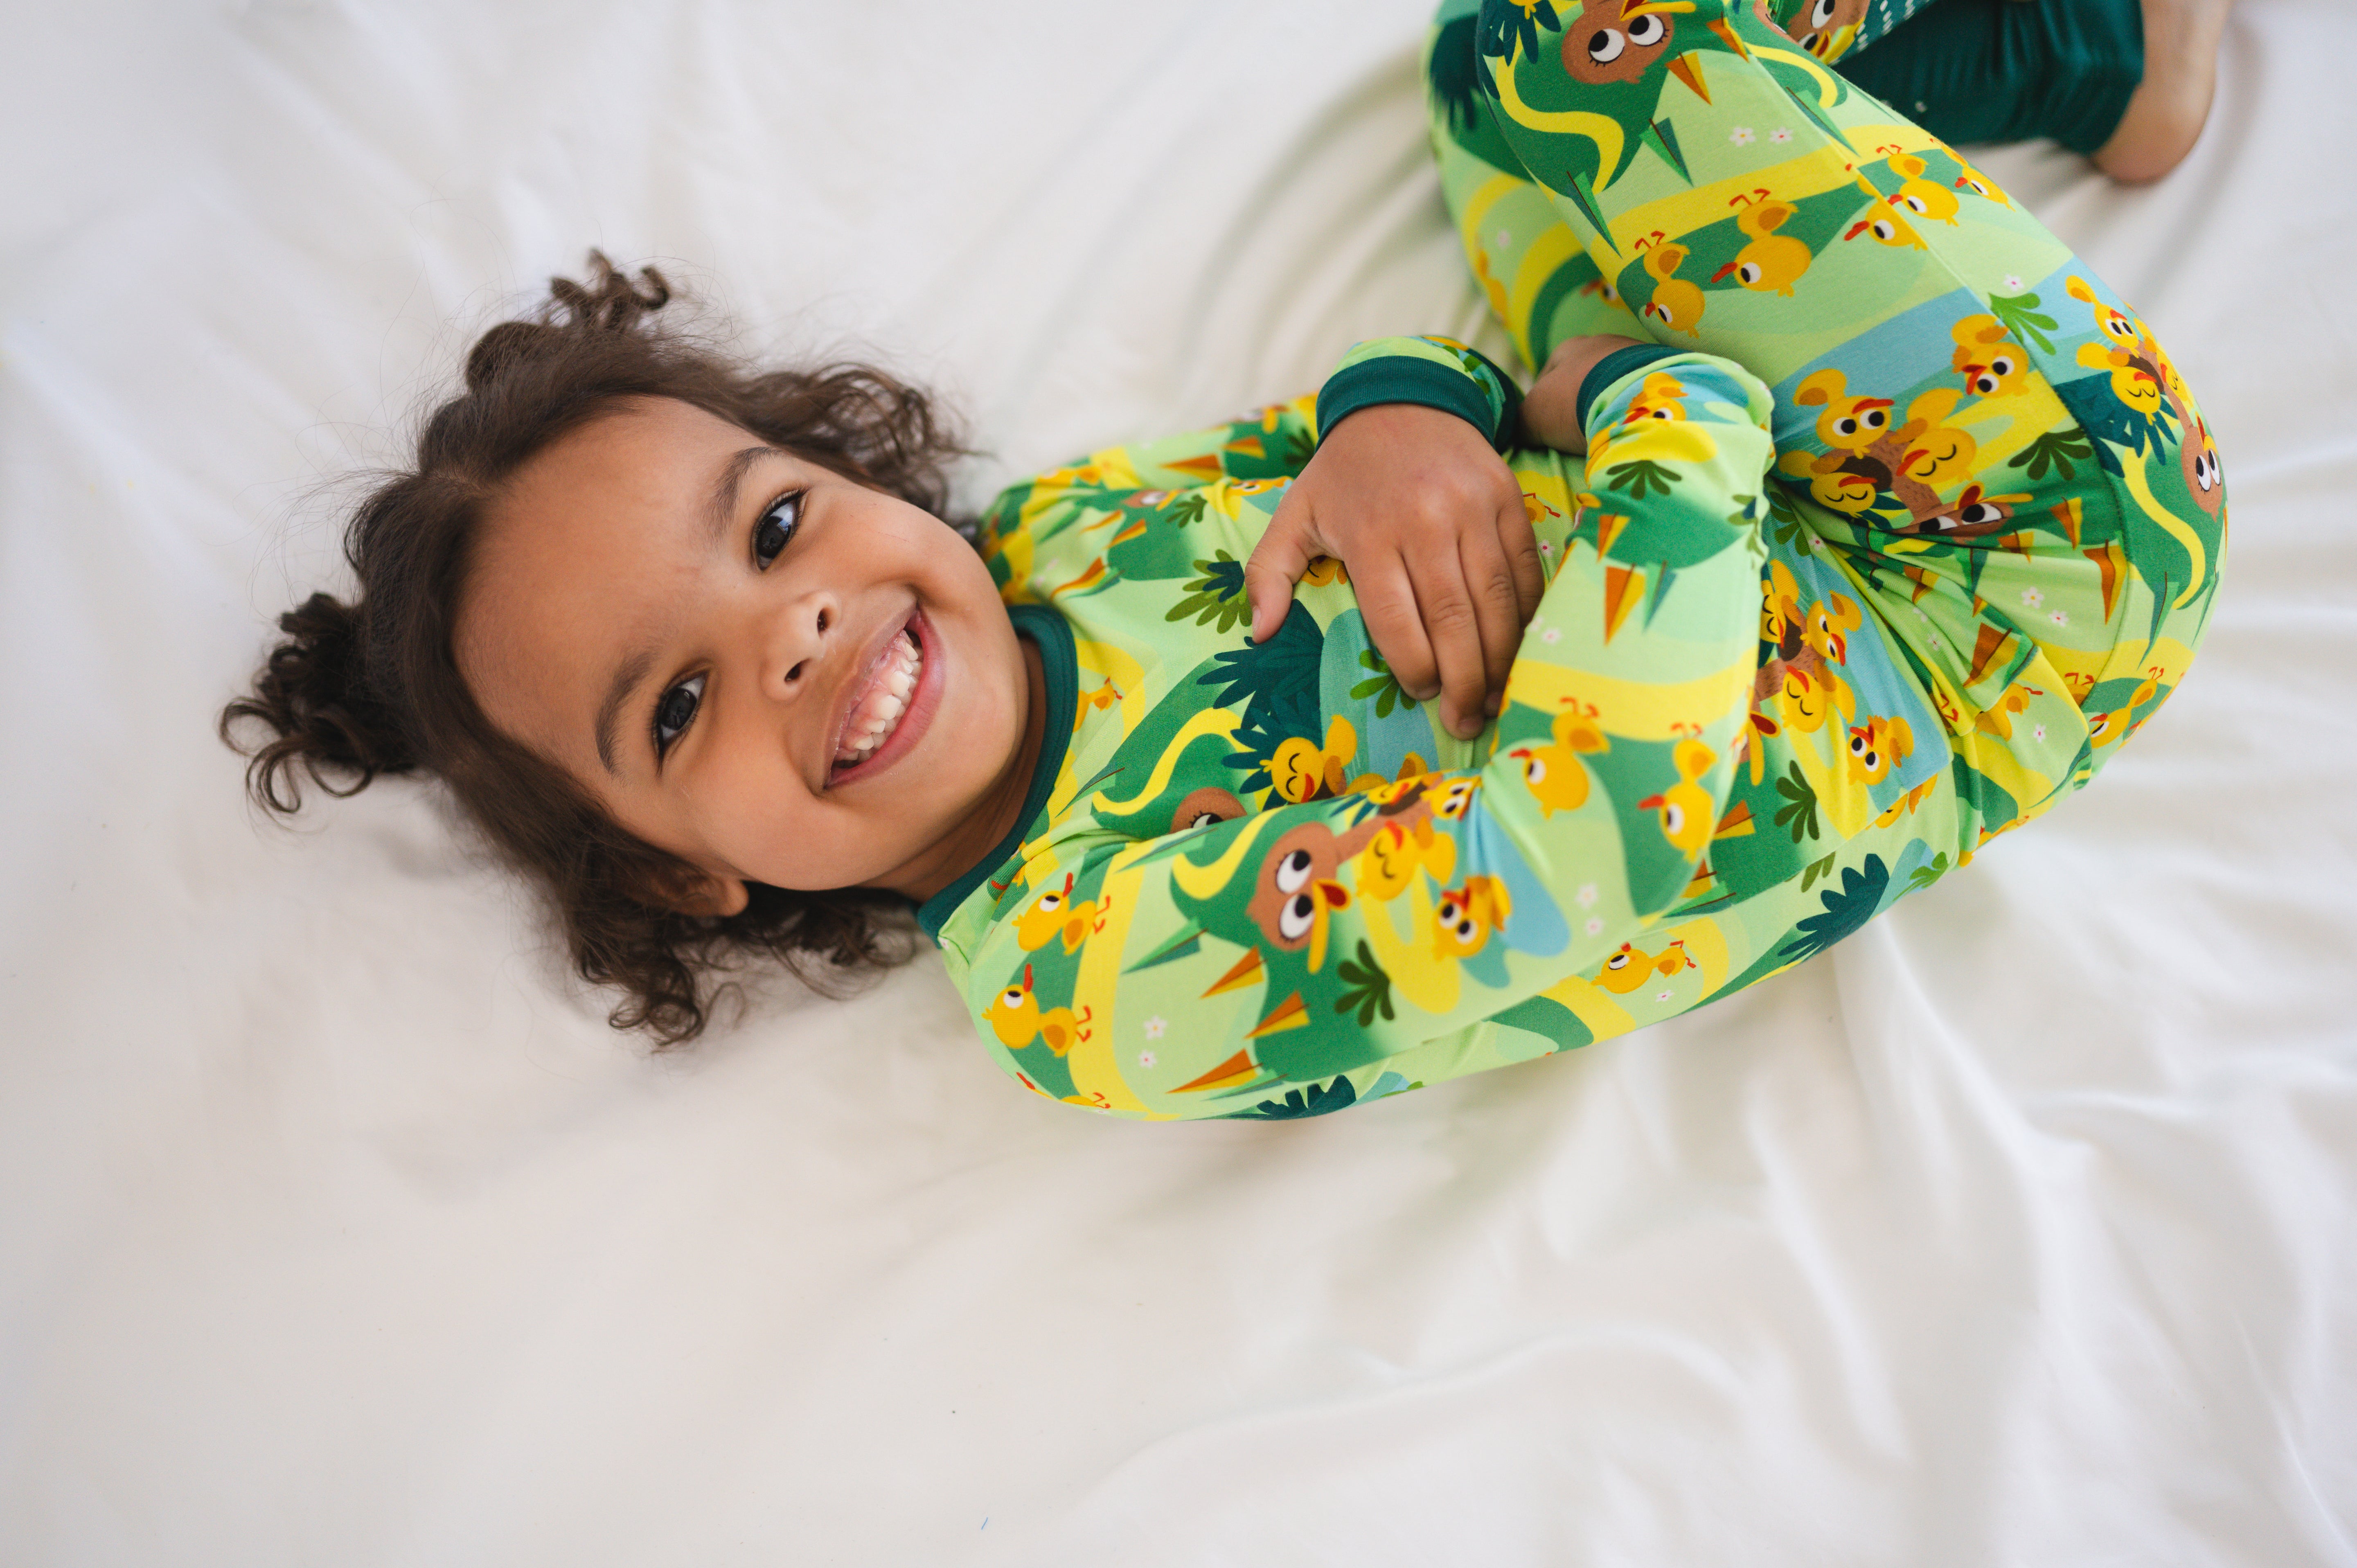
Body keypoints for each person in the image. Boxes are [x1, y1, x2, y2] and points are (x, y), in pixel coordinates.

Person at [224, 0, 2227, 1120]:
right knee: (1593, 52)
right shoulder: (1094, 971)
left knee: (1501, 61)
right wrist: (1654, 400)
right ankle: (2088, 54)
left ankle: (2011, 74)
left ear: (847, 472)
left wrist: (1407, 411)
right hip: (2004, 589)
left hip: (1718, 457)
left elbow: (1374, 426)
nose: (799, 628)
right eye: (676, 704)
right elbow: (1587, 844)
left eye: (770, 528)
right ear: (686, 870)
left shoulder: (1065, 544)